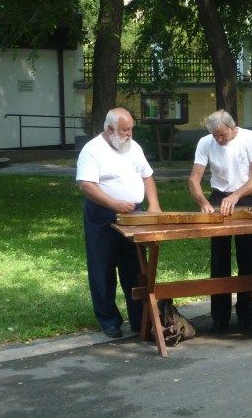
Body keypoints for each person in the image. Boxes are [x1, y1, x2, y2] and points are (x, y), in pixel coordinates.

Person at [76, 107, 162, 338]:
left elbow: (147, 176)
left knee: (135, 266)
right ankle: (109, 321)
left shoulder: (134, 147)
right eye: (125, 130)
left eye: (131, 129)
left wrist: (154, 205)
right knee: (102, 266)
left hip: (134, 214)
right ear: (110, 129)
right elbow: (86, 185)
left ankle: (140, 319)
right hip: (103, 214)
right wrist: (114, 204)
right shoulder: (92, 150)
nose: (129, 134)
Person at [188, 110, 252, 331]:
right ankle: (219, 317)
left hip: (245, 197)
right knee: (219, 259)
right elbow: (194, 179)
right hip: (218, 198)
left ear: (233, 127)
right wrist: (203, 202)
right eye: (215, 135)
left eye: (222, 134)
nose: (219, 139)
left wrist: (236, 195)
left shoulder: (251, 138)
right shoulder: (205, 142)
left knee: (246, 258)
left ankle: (246, 316)